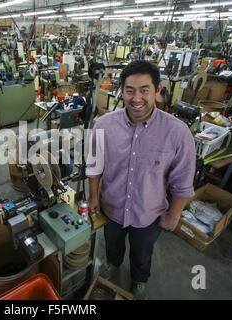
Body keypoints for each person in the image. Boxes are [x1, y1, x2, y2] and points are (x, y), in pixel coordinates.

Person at [87, 60, 196, 300]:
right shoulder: (103, 125)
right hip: (112, 207)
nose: (137, 98)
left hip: (149, 215)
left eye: (144, 90)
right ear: (121, 91)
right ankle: (113, 264)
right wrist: (94, 196)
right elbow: (94, 166)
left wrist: (174, 215)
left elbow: (183, 182)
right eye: (130, 90)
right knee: (112, 246)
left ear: (158, 91)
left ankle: (139, 278)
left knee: (142, 253)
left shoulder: (177, 133)